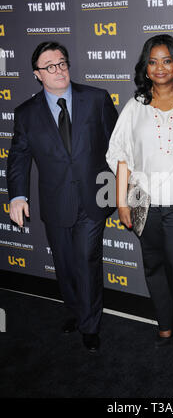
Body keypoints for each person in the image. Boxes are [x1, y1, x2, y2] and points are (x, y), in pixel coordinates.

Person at [7, 41, 118, 352]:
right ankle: (77, 310)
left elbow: (118, 147)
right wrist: (17, 196)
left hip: (94, 199)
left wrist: (119, 191)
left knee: (86, 260)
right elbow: (18, 158)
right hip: (55, 203)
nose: (58, 70)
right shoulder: (26, 114)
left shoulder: (96, 99)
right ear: (37, 75)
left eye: (62, 63)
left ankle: (90, 324)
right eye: (49, 66)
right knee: (66, 265)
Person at [106, 34, 173, 349]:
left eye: (166, 60)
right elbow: (122, 156)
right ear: (145, 68)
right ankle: (164, 324)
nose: (159, 67)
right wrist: (122, 202)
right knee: (154, 266)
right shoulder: (135, 106)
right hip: (144, 201)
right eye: (152, 61)